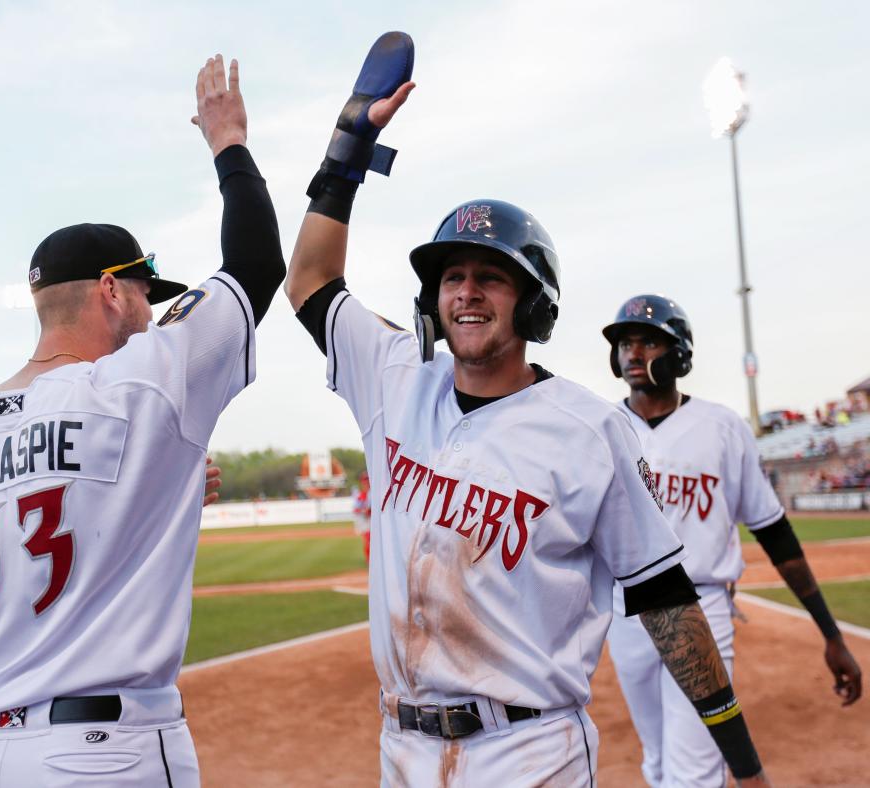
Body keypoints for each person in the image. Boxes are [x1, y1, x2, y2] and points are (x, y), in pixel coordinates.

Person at [284, 31, 769, 787]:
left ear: (533, 304)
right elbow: (311, 281)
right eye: (452, 277)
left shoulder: (589, 430)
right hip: (403, 748)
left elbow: (666, 602)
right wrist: (348, 148)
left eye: (490, 278)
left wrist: (742, 765)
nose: (466, 293)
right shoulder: (394, 378)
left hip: (528, 752)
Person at [0, 54, 284, 787]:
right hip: (98, 756)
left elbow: (46, 541)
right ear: (112, 292)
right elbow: (255, 265)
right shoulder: (138, 383)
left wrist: (162, 485)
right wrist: (228, 141)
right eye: (146, 292)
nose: (153, 312)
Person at [602, 294, 862, 788]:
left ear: (680, 353)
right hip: (627, 609)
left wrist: (830, 634)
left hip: (704, 604)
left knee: (696, 768)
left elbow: (773, 530)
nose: (633, 353)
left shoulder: (721, 427)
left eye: (649, 341)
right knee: (657, 760)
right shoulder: (606, 427)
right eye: (625, 343)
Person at [351, 470, 372, 562]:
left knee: (372, 541)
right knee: (369, 541)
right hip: (365, 522)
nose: (366, 482)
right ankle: (370, 561)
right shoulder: (359, 495)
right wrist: (364, 511)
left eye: (367, 479)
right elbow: (355, 509)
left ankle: (372, 561)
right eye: (364, 480)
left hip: (373, 521)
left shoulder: (373, 493)